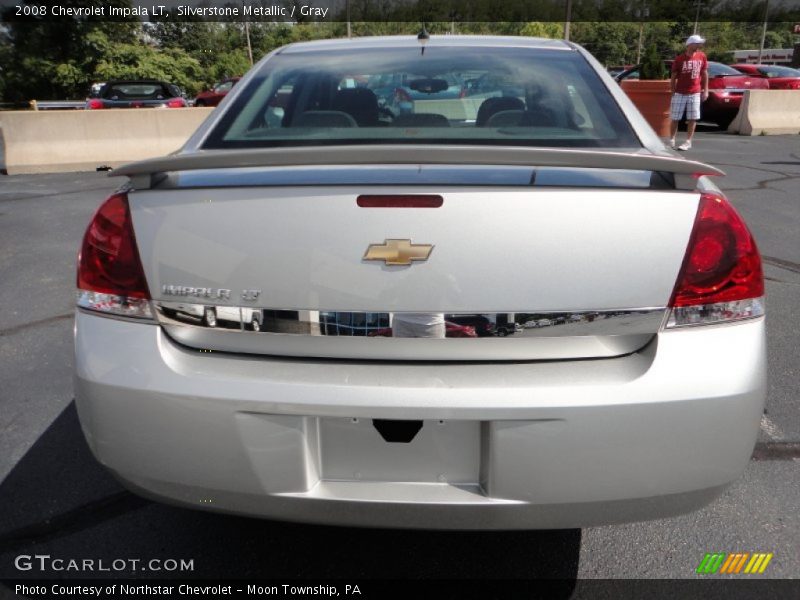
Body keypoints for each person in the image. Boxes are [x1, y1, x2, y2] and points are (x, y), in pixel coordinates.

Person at [669, 34, 709, 151]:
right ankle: (671, 139)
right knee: (675, 117)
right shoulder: (680, 59)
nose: (699, 46)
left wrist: (705, 90)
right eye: (697, 43)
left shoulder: (702, 56)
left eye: (700, 43)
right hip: (680, 92)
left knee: (693, 118)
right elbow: (674, 75)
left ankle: (688, 141)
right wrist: (673, 91)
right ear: (690, 44)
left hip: (695, 92)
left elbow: (705, 73)